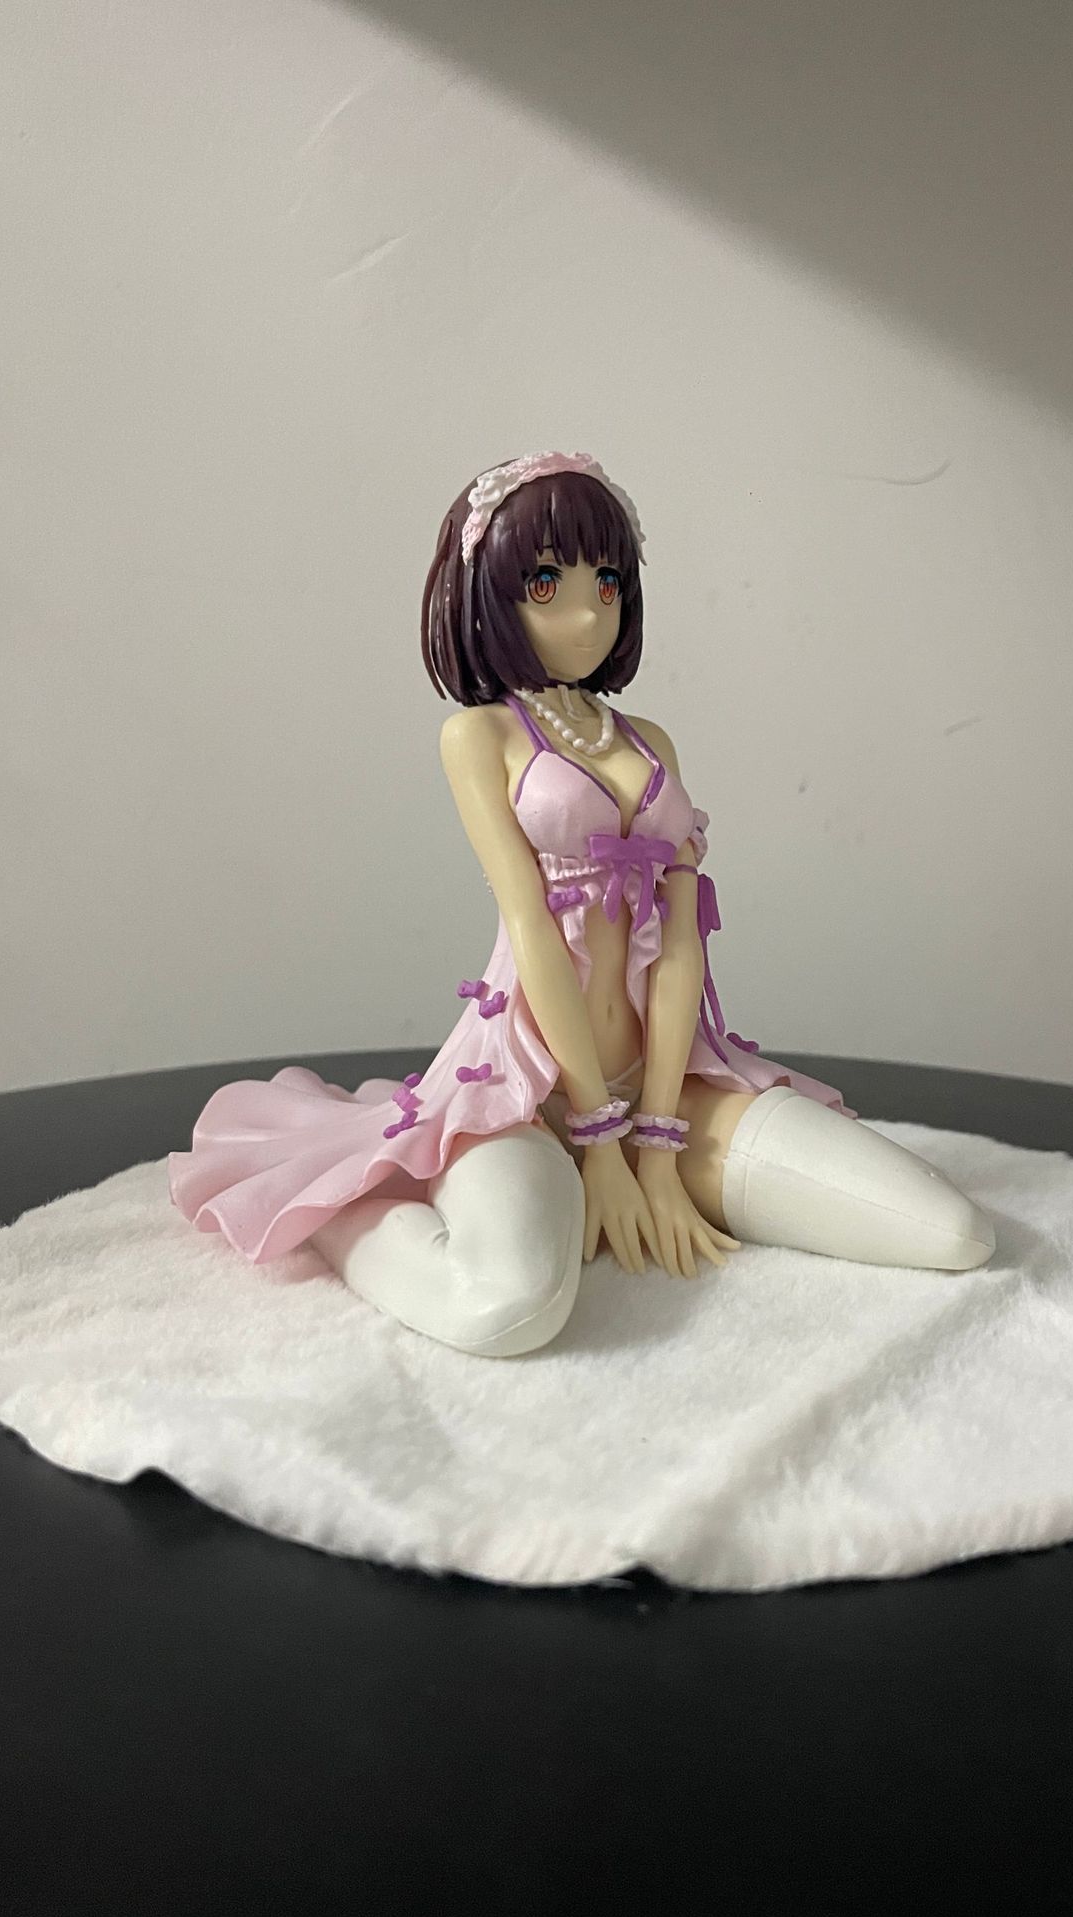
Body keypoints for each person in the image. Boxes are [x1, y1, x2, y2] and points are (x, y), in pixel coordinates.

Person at [168, 451, 995, 1357]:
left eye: (606, 581)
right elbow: (531, 926)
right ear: (489, 594)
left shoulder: (652, 741)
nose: (588, 612)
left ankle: (639, 1156)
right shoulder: (480, 736)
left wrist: (657, 1141)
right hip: (525, 1094)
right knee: (507, 1310)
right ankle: (346, 1215)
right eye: (546, 583)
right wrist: (597, 1137)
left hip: (666, 1087)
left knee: (951, 1230)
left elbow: (680, 944)